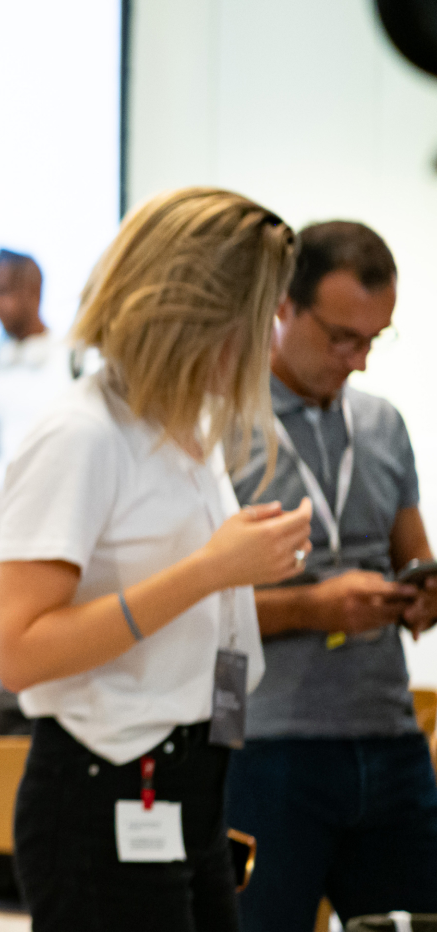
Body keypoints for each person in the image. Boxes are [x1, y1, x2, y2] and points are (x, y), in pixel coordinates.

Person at [0, 187, 314, 932]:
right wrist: (208, 570)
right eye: (256, 317)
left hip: (190, 780)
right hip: (106, 790)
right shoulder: (82, 436)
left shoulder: (180, 428)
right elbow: (17, 651)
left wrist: (237, 565)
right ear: (195, 315)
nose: (267, 344)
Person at [224, 221, 437, 931]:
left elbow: (411, 554)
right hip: (264, 744)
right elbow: (192, 610)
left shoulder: (382, 425)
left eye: (374, 339)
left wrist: (420, 592)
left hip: (389, 737)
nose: (360, 360)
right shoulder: (219, 424)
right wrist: (315, 609)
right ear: (282, 306)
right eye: (343, 337)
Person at [0, 250, 75, 685]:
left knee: (47, 655)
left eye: (8, 293)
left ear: (36, 291)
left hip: (52, 531)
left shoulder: (72, 361)